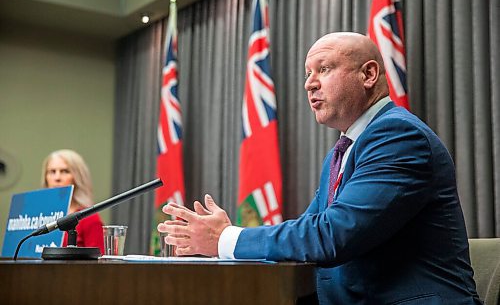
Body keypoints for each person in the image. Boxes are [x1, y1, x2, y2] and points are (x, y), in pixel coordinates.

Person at [158, 32, 482, 304]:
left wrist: (226, 239)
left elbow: (332, 235)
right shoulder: (343, 150)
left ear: (368, 75)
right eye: (306, 73)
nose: (309, 84)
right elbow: (309, 232)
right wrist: (230, 240)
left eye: (323, 69)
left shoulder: (398, 136)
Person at [42, 149, 105, 254]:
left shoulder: (89, 218)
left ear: (77, 177)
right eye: (52, 172)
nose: (57, 178)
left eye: (65, 171)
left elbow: (99, 263)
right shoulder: (38, 216)